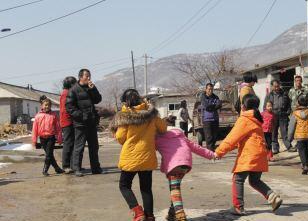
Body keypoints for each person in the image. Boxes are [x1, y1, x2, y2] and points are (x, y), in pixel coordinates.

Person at [215, 94, 283, 215]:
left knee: (238, 179)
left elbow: (232, 138)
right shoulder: (256, 119)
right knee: (255, 181)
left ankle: (238, 207)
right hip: (260, 154)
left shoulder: (245, 119)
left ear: (244, 106)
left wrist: (218, 152)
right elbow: (241, 140)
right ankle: (272, 196)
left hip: (249, 155)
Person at [110, 89, 167, 221]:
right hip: (147, 157)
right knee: (146, 188)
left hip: (130, 158)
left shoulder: (125, 115)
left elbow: (120, 138)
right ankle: (150, 216)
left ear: (126, 101)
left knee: (124, 185)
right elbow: (163, 128)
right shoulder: (151, 114)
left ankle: (138, 211)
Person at [156, 115, 215, 221]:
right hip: (185, 165)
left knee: (175, 189)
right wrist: (211, 154)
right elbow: (196, 147)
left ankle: (180, 215)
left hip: (173, 165)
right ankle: (172, 213)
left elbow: (148, 148)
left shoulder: (159, 137)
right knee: (174, 188)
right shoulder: (180, 135)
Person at [66, 69, 103, 177]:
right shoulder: (73, 90)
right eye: (87, 76)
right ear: (80, 77)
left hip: (91, 122)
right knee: (79, 146)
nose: (89, 78)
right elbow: (69, 107)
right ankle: (77, 168)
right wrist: (81, 115)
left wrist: (93, 89)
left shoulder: (90, 88)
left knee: (94, 146)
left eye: (90, 76)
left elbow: (98, 99)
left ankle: (96, 168)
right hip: (80, 124)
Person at [32, 96, 64, 176]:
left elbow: (58, 128)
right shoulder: (38, 116)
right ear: (42, 106)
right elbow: (34, 129)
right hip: (42, 138)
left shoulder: (53, 115)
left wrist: (59, 138)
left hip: (51, 137)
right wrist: (34, 141)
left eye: (48, 105)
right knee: (50, 155)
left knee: (48, 154)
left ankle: (44, 170)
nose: (47, 107)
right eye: (45, 105)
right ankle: (57, 168)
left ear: (50, 106)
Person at [265, 80, 292, 153]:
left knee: (284, 132)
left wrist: (288, 112)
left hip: (283, 115)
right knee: (274, 133)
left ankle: (289, 146)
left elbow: (289, 104)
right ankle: (276, 148)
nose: (276, 88)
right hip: (273, 115)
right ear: (272, 86)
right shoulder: (269, 95)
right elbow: (265, 106)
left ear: (279, 85)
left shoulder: (284, 94)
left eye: (277, 86)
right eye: (275, 86)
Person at [60, 76, 77, 174]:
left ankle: (72, 165)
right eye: (74, 83)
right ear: (71, 84)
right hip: (67, 121)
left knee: (72, 144)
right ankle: (66, 166)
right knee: (68, 143)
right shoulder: (66, 93)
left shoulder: (67, 93)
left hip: (69, 121)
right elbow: (66, 109)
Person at [199, 83, 222, 151]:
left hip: (215, 119)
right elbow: (207, 107)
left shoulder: (216, 97)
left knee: (215, 136)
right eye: (209, 89)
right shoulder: (203, 97)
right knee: (209, 137)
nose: (210, 91)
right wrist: (214, 106)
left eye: (212, 89)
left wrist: (212, 106)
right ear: (206, 89)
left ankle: (211, 150)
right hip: (206, 120)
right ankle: (210, 152)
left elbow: (219, 104)